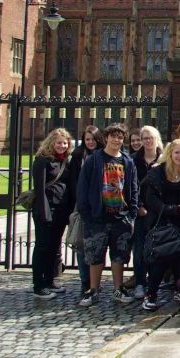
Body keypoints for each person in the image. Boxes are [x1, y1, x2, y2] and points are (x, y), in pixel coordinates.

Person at [76, 123, 138, 307]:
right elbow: (83, 188)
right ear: (106, 138)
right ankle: (93, 290)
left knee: (119, 255)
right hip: (98, 216)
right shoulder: (94, 160)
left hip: (120, 216)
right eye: (113, 136)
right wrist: (86, 214)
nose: (116, 140)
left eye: (120, 137)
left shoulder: (127, 161)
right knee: (96, 255)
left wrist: (132, 214)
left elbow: (133, 188)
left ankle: (118, 289)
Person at [140, 138, 180, 310]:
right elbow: (150, 199)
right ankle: (151, 294)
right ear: (170, 153)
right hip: (161, 220)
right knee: (160, 257)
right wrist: (170, 209)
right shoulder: (157, 172)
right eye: (177, 152)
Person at [30, 127, 74, 299]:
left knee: (54, 246)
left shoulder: (64, 161)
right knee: (42, 246)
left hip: (61, 210)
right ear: (51, 143)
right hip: (46, 209)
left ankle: (49, 280)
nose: (62, 146)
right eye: (59, 143)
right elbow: (39, 189)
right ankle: (38, 285)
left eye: (65, 143)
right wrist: (44, 212)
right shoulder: (42, 161)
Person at [68, 125, 103, 295]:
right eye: (87, 139)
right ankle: (85, 281)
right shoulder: (77, 155)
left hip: (102, 207)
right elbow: (73, 182)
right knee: (82, 246)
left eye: (93, 139)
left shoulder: (104, 155)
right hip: (82, 206)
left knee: (98, 246)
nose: (90, 142)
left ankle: (96, 281)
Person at [130, 125, 163, 299]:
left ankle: (154, 283)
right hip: (141, 211)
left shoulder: (164, 158)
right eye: (145, 138)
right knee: (140, 248)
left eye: (151, 137)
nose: (148, 141)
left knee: (157, 248)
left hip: (159, 211)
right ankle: (140, 283)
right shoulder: (134, 160)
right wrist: (139, 206)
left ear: (157, 138)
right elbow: (131, 186)